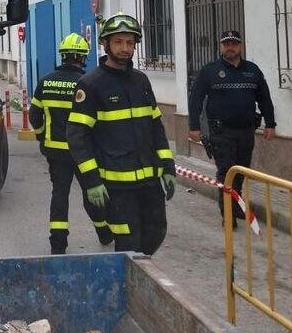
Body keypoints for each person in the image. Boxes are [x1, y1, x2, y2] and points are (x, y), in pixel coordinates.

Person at [66, 13, 176, 255]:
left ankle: (138, 278)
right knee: (128, 242)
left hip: (149, 183)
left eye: (130, 43)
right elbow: (77, 136)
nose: (125, 48)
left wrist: (168, 166)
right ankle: (127, 288)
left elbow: (156, 126)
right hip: (115, 186)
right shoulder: (90, 84)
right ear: (105, 44)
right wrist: (92, 182)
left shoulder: (141, 81)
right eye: (118, 42)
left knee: (156, 232)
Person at [29, 33, 113, 254]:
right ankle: (104, 231)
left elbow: (34, 115)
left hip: (55, 152)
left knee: (60, 194)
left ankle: (58, 244)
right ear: (83, 58)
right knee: (90, 192)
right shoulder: (87, 83)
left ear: (63, 55)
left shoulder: (45, 82)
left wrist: (40, 136)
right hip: (84, 153)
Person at [187, 30, 276, 225]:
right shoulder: (210, 71)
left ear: (240, 46)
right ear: (221, 46)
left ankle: (236, 207)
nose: (230, 47)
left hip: (246, 131)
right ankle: (227, 213)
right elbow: (195, 99)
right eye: (226, 43)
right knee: (226, 171)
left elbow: (264, 98)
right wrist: (194, 126)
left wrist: (270, 124)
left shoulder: (252, 71)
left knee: (241, 171)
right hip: (221, 132)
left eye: (234, 43)